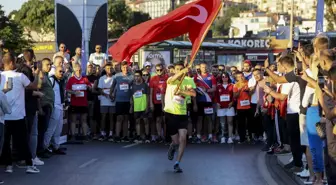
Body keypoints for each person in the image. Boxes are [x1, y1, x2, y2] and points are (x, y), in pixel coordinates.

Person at [0, 52, 41, 173]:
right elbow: (35, 86)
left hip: (4, 116)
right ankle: (29, 165)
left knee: (6, 142)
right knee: (23, 141)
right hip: (18, 115)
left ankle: (8, 166)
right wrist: (37, 73)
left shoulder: (0, 76)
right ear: (12, 63)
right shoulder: (20, 76)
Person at [165, 62, 196, 173]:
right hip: (170, 113)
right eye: (177, 69)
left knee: (183, 138)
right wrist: (182, 71)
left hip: (182, 113)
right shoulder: (170, 80)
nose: (179, 71)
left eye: (181, 69)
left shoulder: (189, 80)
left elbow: (193, 94)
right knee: (177, 141)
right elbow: (173, 80)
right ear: (174, 70)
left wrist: (182, 91)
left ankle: (177, 163)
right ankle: (172, 146)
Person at [110, 61, 134, 142]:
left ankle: (125, 135)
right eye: (123, 67)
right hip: (119, 100)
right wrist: (111, 94)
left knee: (126, 119)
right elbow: (112, 86)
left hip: (127, 100)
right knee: (119, 118)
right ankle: (117, 135)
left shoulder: (132, 76)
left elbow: (133, 88)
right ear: (121, 68)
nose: (125, 69)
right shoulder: (117, 76)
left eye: (126, 67)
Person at [130, 70, 150, 143]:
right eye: (135, 76)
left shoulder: (145, 85)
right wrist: (131, 106)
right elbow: (132, 97)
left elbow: (148, 96)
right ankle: (138, 136)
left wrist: (147, 106)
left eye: (138, 76)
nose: (136, 77)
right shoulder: (133, 86)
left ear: (141, 76)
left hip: (144, 107)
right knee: (137, 122)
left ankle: (147, 136)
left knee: (146, 121)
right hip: (136, 107)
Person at [214, 72, 234, 144]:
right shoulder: (218, 86)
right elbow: (216, 96)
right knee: (222, 123)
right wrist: (217, 103)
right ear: (221, 78)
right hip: (221, 107)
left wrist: (232, 102)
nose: (224, 78)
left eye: (226, 76)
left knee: (230, 122)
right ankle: (223, 137)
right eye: (223, 77)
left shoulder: (232, 86)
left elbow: (234, 96)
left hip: (229, 107)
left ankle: (230, 137)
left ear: (228, 77)